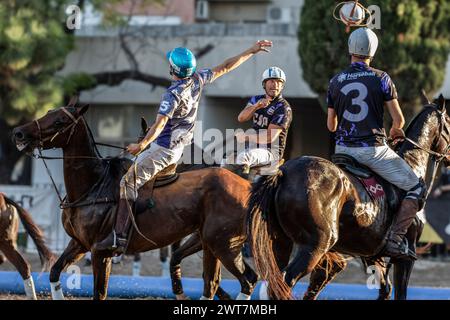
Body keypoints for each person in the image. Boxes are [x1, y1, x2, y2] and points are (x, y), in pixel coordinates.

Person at [96, 40, 274, 255]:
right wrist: (251, 50)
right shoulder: (197, 79)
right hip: (181, 150)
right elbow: (226, 66)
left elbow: (161, 124)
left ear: (172, 69)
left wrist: (141, 144)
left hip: (164, 150)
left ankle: (119, 238)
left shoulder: (171, 94)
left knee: (127, 182)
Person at [326, 27, 426, 260]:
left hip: (342, 151)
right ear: (373, 51)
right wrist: (396, 129)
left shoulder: (335, 80)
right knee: (416, 187)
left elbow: (331, 126)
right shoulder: (381, 78)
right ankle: (395, 240)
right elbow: (398, 118)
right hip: (372, 150)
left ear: (350, 49)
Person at [223, 66, 292, 178]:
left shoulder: (283, 107)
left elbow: (270, 137)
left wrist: (246, 137)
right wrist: (256, 106)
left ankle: (244, 191)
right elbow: (241, 118)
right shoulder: (256, 99)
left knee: (244, 157)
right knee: (226, 160)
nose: (275, 84)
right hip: (252, 147)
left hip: (270, 151)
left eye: (279, 82)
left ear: (282, 86)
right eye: (272, 81)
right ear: (264, 84)